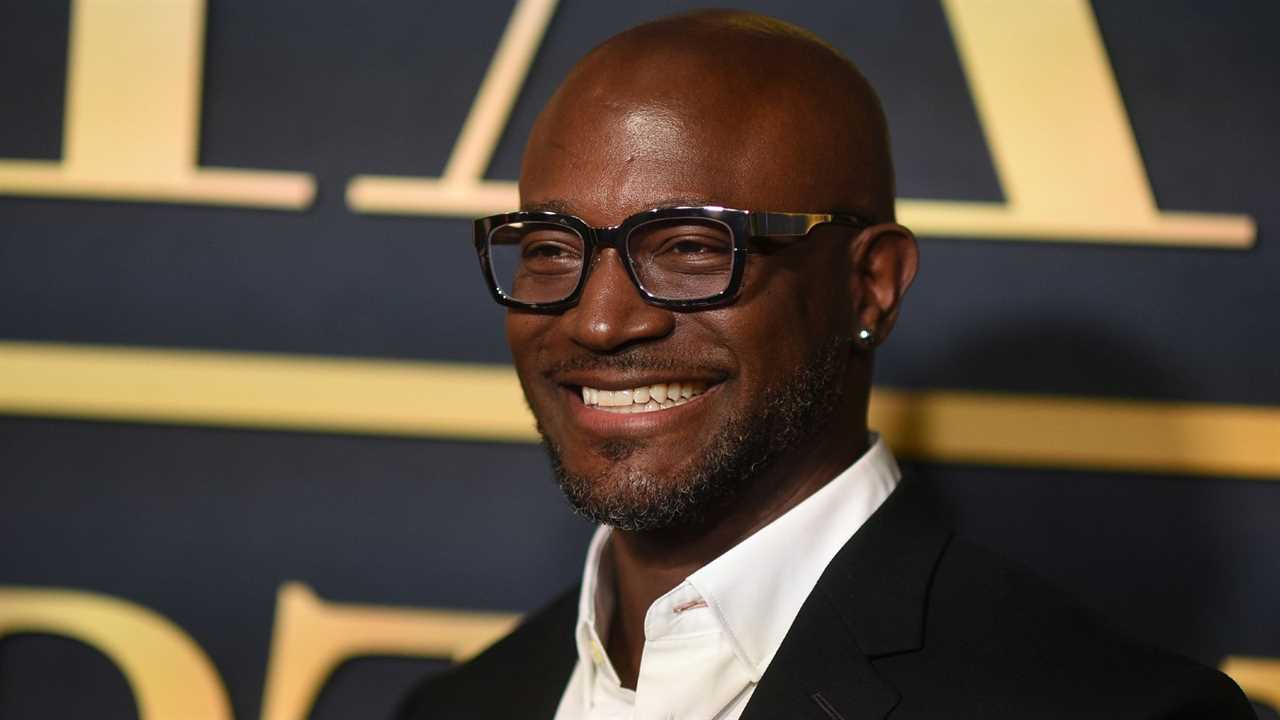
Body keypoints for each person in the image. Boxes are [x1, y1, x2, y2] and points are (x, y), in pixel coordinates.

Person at [400, 10, 1255, 719]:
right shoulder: (454, 708)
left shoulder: (1120, 712)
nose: (597, 319)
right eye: (551, 247)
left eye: (693, 247)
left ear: (870, 285)